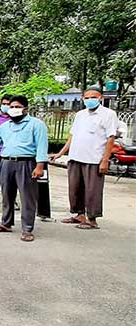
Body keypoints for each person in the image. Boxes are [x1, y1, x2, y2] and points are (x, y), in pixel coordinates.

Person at [0, 95, 48, 242]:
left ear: (25, 108)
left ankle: (27, 228)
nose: (13, 110)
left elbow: (42, 146)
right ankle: (6, 223)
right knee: (6, 194)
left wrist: (40, 166)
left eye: (17, 107)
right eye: (11, 107)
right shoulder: (5, 126)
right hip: (6, 162)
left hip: (26, 163)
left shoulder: (36, 124)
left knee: (27, 197)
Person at [49, 88, 117, 229]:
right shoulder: (80, 115)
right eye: (86, 97)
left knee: (93, 190)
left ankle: (92, 219)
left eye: (93, 97)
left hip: (94, 158)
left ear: (100, 97)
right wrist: (60, 153)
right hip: (75, 156)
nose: (89, 100)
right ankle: (79, 214)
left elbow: (111, 138)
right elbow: (72, 136)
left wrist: (105, 159)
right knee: (75, 188)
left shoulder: (108, 114)